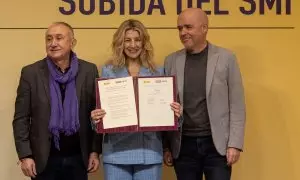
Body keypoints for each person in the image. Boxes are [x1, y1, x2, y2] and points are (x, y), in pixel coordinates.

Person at [90, 19, 181, 180]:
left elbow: (166, 119)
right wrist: (95, 118)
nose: (133, 45)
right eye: (127, 40)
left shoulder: (158, 72)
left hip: (150, 152)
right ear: (120, 43)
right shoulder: (108, 71)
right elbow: (101, 119)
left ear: (144, 42)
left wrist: (175, 115)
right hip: (115, 153)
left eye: (137, 40)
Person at [163, 8, 246, 180]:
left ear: (204, 28)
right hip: (183, 146)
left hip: (217, 147)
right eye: (179, 28)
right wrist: (166, 147)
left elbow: (237, 105)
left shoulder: (226, 58)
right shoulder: (170, 61)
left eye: (188, 27)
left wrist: (235, 144)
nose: (183, 32)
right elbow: (165, 107)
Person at [12, 22, 102, 180]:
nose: (53, 43)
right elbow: (21, 119)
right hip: (43, 160)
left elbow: (96, 113)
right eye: (49, 39)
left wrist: (94, 151)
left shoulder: (89, 70)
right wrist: (25, 155)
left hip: (78, 159)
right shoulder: (31, 73)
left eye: (59, 38)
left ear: (72, 42)